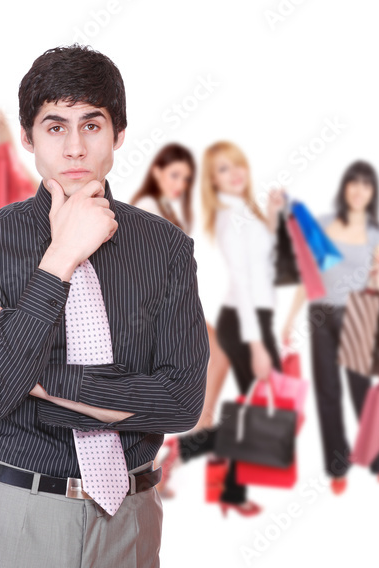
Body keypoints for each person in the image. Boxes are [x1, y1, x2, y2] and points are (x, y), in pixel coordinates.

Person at [0, 45, 208, 568]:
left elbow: (180, 402)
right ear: (28, 137)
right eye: (55, 126)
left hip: (130, 521)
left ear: (119, 135)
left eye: (91, 126)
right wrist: (61, 256)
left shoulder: (166, 247)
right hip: (15, 512)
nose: (74, 149)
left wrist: (38, 379)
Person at [175, 140, 284, 517]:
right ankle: (194, 471)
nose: (234, 173)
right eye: (222, 169)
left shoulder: (245, 213)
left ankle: (217, 482)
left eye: (236, 165)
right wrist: (256, 345)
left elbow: (267, 264)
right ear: (213, 181)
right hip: (247, 322)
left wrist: (273, 216)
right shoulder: (230, 217)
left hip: (253, 318)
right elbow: (246, 278)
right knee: (259, 408)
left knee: (256, 408)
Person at [280, 160, 379, 496]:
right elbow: (309, 274)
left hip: (360, 314)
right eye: (353, 183)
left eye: (366, 185)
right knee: (327, 392)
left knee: (362, 390)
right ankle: (337, 465)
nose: (359, 191)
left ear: (372, 192)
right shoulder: (324, 223)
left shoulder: (378, 233)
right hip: (321, 314)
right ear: (345, 188)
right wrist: (289, 319)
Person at [129, 143, 231, 498]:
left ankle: (197, 427)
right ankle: (197, 426)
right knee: (212, 352)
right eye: (174, 175)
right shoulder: (146, 208)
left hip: (163, 305)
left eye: (186, 179)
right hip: (151, 309)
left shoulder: (163, 209)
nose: (180, 184)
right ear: (156, 172)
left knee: (215, 351)